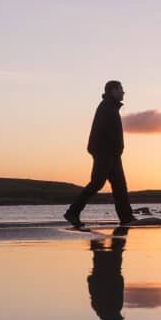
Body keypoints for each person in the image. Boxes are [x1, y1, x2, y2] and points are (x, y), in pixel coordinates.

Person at [65, 80, 135, 227]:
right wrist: (114, 147)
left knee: (119, 185)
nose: (123, 92)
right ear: (113, 91)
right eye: (121, 89)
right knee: (97, 183)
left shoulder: (111, 107)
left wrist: (116, 149)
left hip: (112, 153)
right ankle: (72, 212)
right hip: (105, 152)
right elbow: (105, 131)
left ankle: (126, 217)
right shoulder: (107, 107)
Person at [88, 228, 128, 320]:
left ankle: (90, 227)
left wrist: (92, 279)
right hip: (108, 272)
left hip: (107, 273)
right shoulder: (108, 312)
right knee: (113, 243)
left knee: (114, 242)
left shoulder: (109, 311)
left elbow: (95, 292)